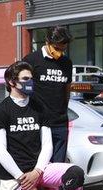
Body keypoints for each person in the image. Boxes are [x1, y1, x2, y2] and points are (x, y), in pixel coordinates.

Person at [0, 61, 84, 190]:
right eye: (25, 79)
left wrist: (38, 172)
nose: (30, 82)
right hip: (14, 178)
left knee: (75, 173)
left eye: (31, 79)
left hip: (39, 171)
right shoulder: (0, 112)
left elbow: (47, 145)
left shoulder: (40, 107)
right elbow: (0, 152)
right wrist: (26, 182)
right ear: (12, 81)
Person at [22, 26, 73, 163]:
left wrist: (63, 111)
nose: (59, 52)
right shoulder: (31, 60)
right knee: (38, 165)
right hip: (38, 122)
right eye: (56, 48)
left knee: (58, 167)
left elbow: (66, 90)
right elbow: (22, 89)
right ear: (47, 41)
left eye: (63, 49)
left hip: (60, 123)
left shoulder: (67, 63)